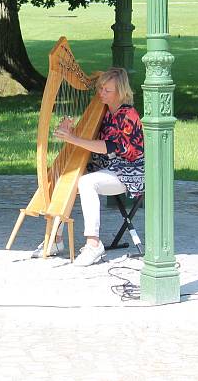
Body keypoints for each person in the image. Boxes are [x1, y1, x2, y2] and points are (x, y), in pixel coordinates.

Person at [47, 67, 145, 266]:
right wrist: (71, 131)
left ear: (121, 92)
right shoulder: (106, 112)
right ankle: (55, 239)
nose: (101, 93)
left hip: (128, 172)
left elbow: (108, 147)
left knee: (86, 182)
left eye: (107, 90)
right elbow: (95, 140)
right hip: (106, 167)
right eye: (100, 89)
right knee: (60, 176)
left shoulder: (128, 116)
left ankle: (94, 244)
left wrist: (73, 139)